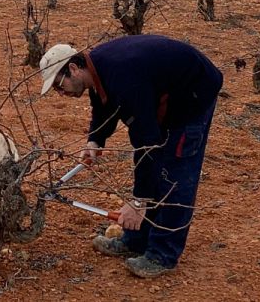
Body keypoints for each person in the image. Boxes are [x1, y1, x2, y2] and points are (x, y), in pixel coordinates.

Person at [40, 34, 223, 278]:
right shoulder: (98, 68)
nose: (60, 93)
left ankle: (162, 254)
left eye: (58, 85)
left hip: (192, 96)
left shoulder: (124, 77)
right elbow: (103, 103)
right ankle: (137, 241)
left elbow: (147, 143)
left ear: (73, 68)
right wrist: (95, 139)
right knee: (154, 170)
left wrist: (138, 202)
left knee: (174, 174)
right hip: (163, 93)